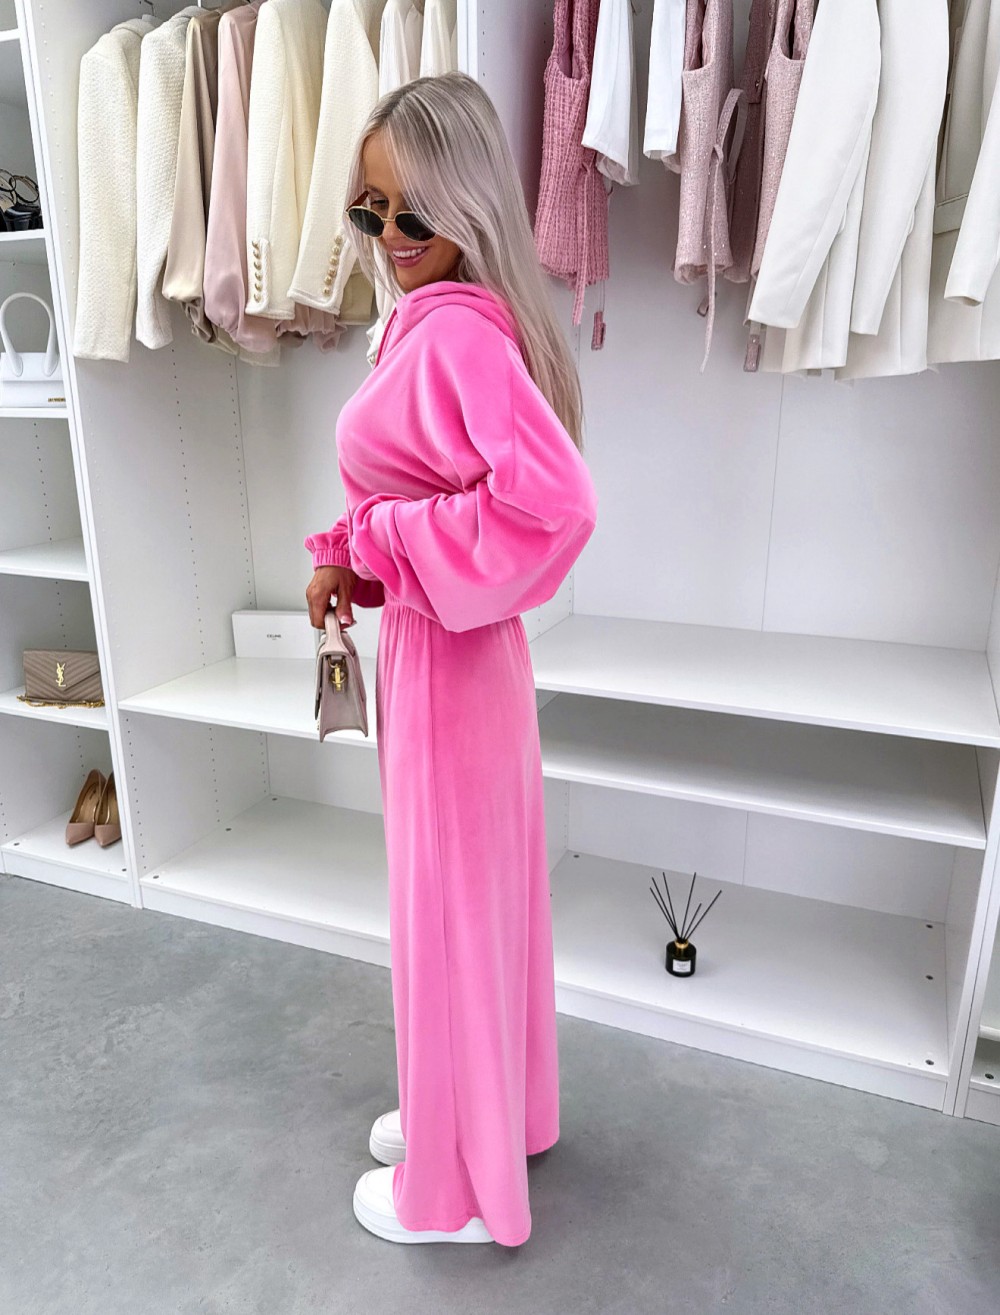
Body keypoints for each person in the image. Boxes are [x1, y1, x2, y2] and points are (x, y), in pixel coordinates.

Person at [303, 70, 599, 1248]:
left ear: (467, 205)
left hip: (453, 666)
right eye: (369, 209)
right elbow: (441, 490)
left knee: (448, 912)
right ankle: (479, 1119)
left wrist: (375, 539)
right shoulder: (427, 323)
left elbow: (552, 508)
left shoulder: (459, 336)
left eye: (413, 212)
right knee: (470, 906)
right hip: (448, 653)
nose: (389, 235)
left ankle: (460, 1191)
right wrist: (357, 555)